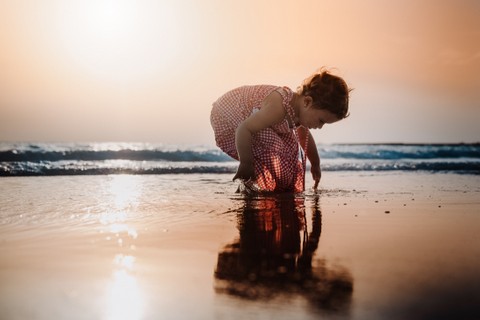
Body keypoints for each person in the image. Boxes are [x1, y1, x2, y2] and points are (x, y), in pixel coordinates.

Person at [210, 68, 350, 193]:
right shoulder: (278, 108)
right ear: (307, 102)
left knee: (288, 148)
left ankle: (252, 186)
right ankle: (249, 179)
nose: (320, 127)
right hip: (228, 113)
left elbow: (304, 136)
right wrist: (246, 162)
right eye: (321, 121)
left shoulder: (298, 112)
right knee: (275, 146)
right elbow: (244, 129)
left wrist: (316, 164)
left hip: (250, 120)